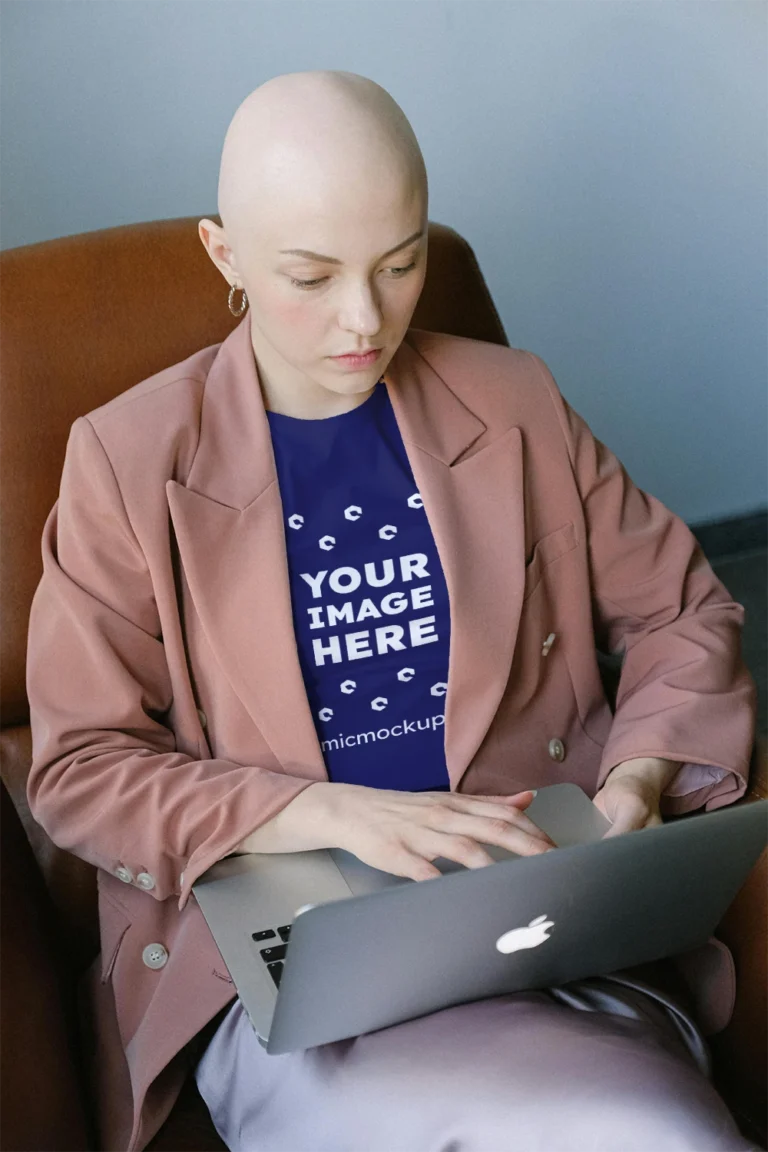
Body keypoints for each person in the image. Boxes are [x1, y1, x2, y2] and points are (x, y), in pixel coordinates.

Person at [25, 70, 758, 1152]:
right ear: (224, 256)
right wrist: (334, 813)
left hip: (541, 922)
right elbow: (79, 767)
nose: (364, 320)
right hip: (296, 963)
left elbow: (684, 614)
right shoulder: (129, 461)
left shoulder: (515, 403)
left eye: (401, 262)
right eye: (310, 277)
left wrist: (636, 781)